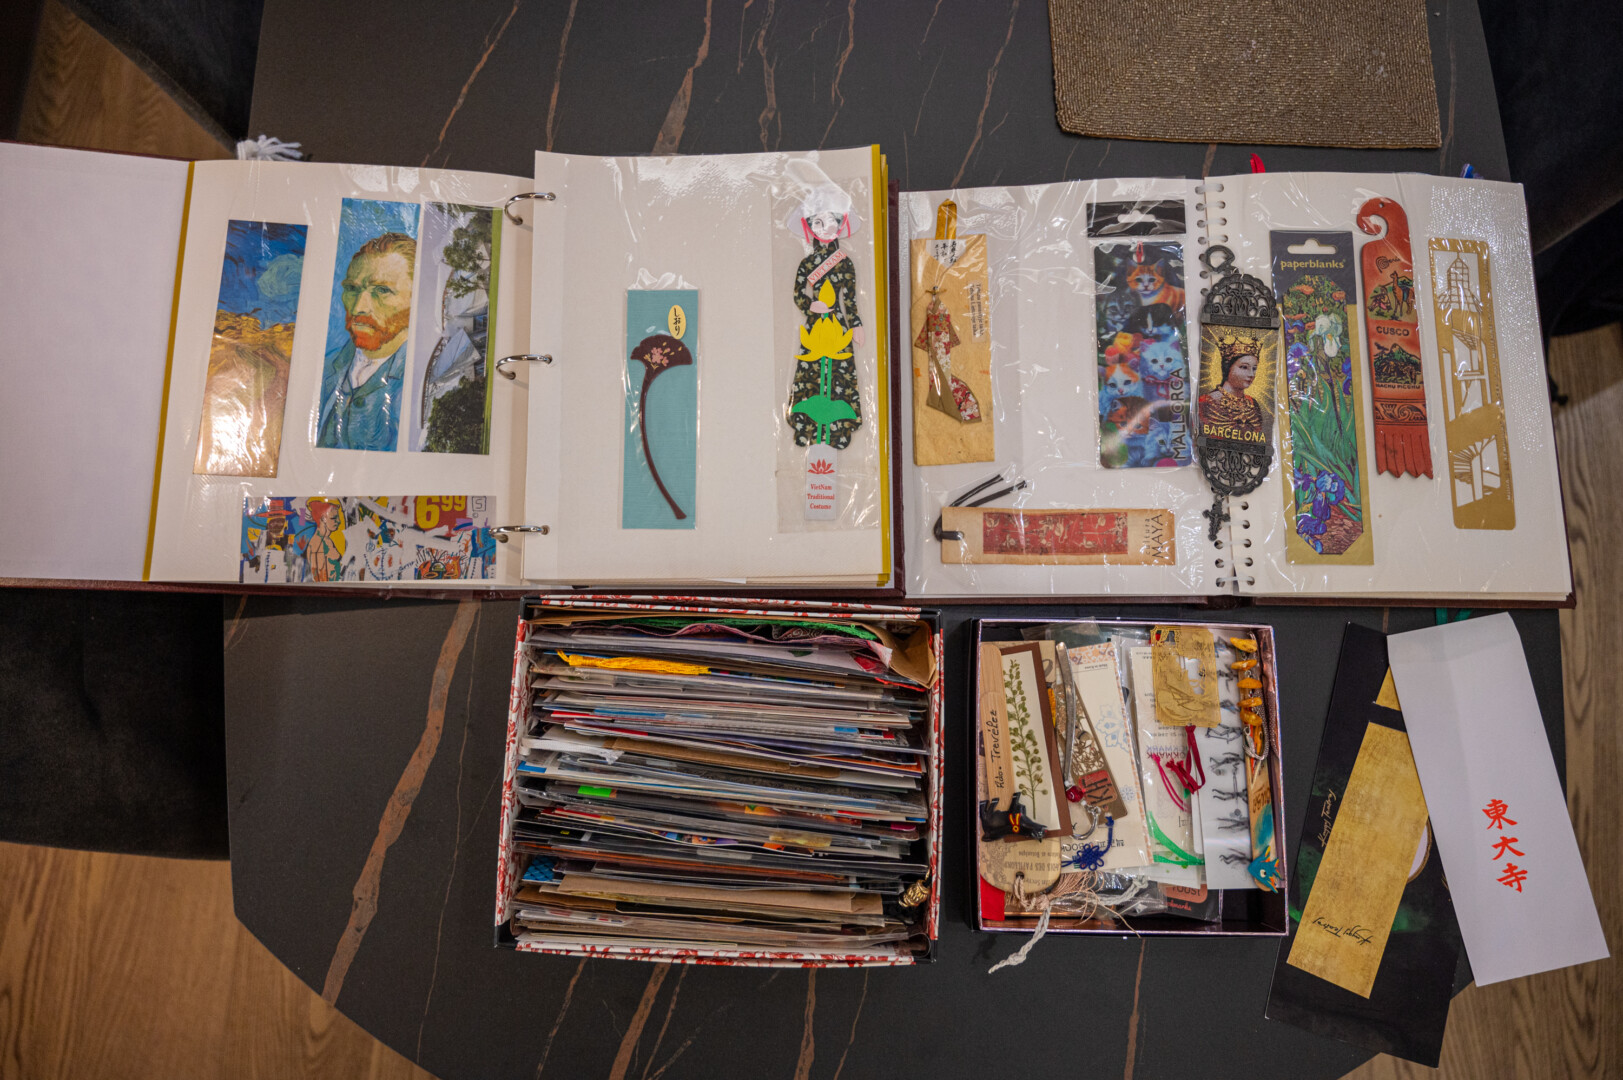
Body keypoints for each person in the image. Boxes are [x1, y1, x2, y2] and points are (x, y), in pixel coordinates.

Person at [316, 232, 416, 450]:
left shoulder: (423, 381)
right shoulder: (324, 369)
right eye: (352, 289)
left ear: (415, 300)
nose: (358, 307)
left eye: (382, 290)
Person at [1197, 333, 1266, 436]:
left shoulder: (1252, 403)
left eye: (1254, 368)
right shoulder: (1206, 402)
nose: (1251, 374)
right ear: (1228, 368)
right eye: (1244, 367)